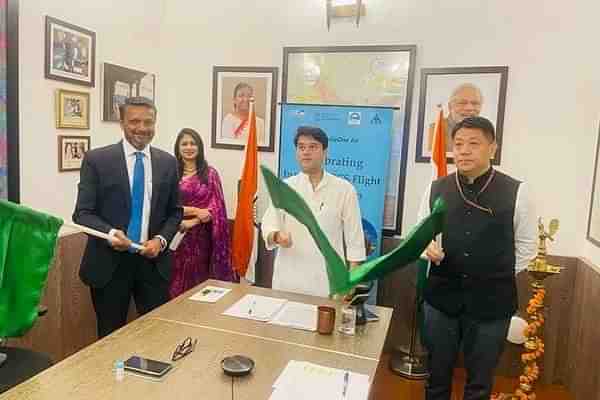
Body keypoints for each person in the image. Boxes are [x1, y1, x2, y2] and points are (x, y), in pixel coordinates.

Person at [418, 116, 537, 400]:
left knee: (480, 384)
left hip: (492, 305)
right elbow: (419, 235)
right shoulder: (437, 188)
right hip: (441, 300)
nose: (464, 150)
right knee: (436, 377)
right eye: (458, 144)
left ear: (492, 148)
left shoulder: (518, 192)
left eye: (474, 143)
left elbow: (527, 248)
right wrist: (426, 248)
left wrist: (491, 273)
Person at [73, 96, 182, 338]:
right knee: (110, 338)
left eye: (148, 122)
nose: (142, 128)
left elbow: (175, 211)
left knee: (156, 337)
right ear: (121, 122)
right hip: (109, 266)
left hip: (153, 265)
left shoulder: (168, 162)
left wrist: (161, 240)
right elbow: (82, 213)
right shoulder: (97, 160)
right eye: (134, 121)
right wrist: (110, 233)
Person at [261, 126, 366, 297]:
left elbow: (355, 242)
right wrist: (277, 236)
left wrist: (350, 283)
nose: (306, 152)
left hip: (327, 286)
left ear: (325, 152)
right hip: (288, 283)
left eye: (313, 147)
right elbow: (268, 224)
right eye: (301, 147)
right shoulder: (285, 187)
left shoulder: (344, 190)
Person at [170, 128, 236, 298]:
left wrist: (193, 222)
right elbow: (166, 205)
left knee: (199, 286)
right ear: (178, 148)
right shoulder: (170, 173)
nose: (189, 147)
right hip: (174, 236)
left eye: (193, 143)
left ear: (199, 147)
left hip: (202, 240)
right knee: (174, 285)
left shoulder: (210, 174)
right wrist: (195, 212)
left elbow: (217, 208)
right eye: (184, 144)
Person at [427, 83, 483, 152]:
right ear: (450, 106)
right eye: (462, 103)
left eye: (475, 103)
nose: (469, 108)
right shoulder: (435, 130)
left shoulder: (485, 133)